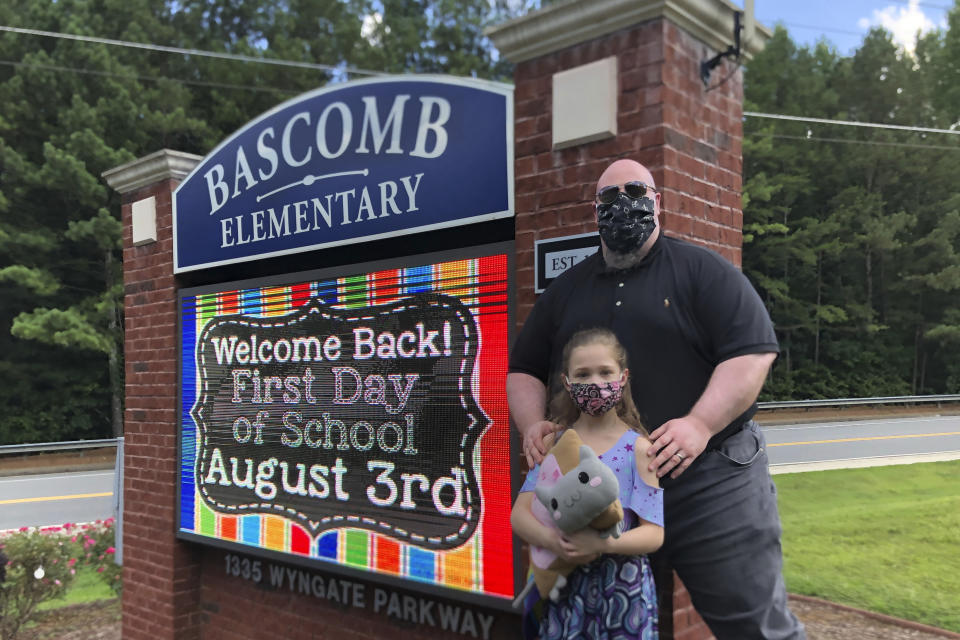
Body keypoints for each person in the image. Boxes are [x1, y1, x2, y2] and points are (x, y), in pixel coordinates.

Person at [508, 158, 806, 639]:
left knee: (752, 623)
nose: (622, 203)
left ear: (657, 202)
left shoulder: (703, 272)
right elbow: (522, 369)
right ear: (594, 209)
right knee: (612, 621)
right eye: (609, 195)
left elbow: (752, 353)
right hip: (605, 489)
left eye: (635, 190)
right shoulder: (567, 290)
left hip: (709, 479)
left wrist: (700, 424)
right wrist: (531, 424)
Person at [511, 327, 663, 639]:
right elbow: (519, 515)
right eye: (583, 374)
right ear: (567, 383)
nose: (595, 382)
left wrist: (602, 544)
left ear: (622, 377)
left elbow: (654, 533)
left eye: (605, 371)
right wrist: (553, 542)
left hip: (622, 589)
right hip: (565, 586)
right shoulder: (556, 442)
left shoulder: (640, 449)